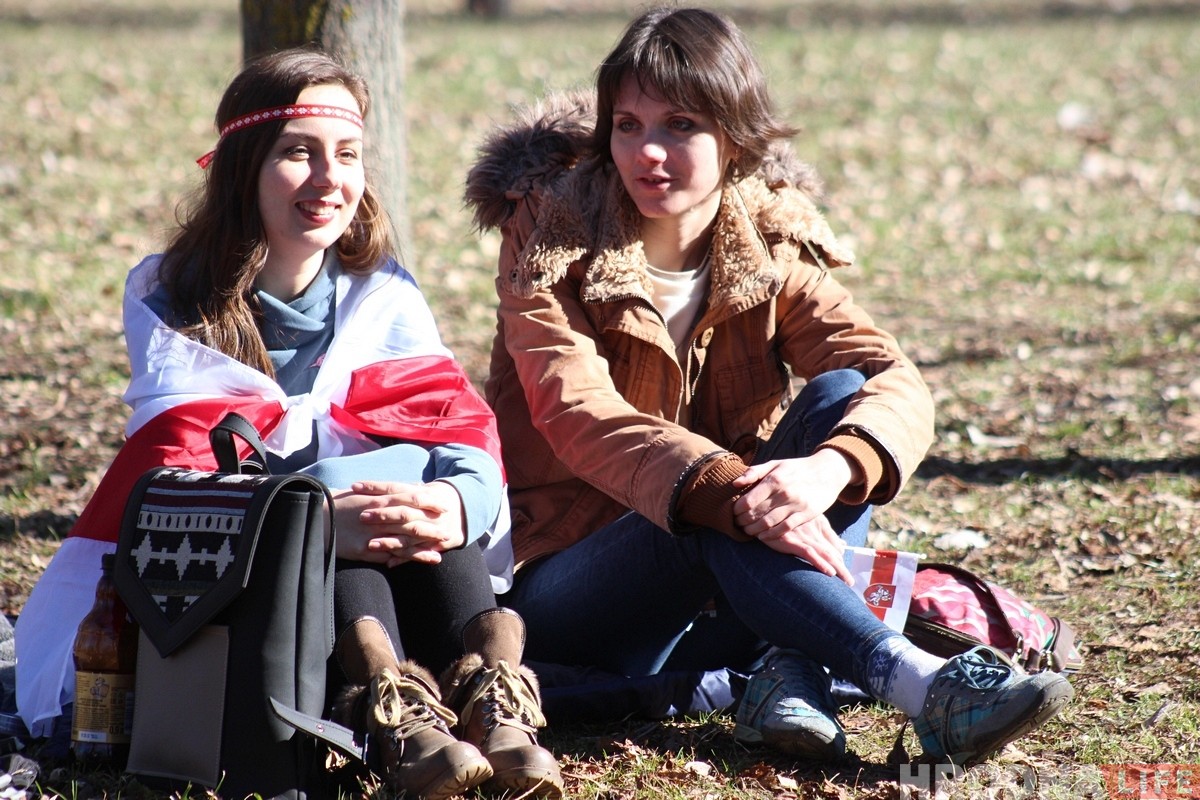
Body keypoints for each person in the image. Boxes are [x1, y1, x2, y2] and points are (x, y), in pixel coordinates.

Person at [464, 6, 1073, 765]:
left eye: (681, 125)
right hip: (571, 594)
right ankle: (917, 682)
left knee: (840, 394)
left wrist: (830, 469)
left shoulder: (767, 242)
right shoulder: (549, 242)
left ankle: (792, 670)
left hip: (731, 590)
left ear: (735, 138)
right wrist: (727, 487)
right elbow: (577, 411)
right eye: (627, 125)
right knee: (702, 508)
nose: (647, 152)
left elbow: (892, 377)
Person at [16, 47, 562, 799]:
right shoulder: (175, 309)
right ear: (244, 168)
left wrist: (453, 502)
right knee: (336, 532)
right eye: (299, 153)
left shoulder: (383, 299)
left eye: (348, 154)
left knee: (424, 521)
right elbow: (179, 492)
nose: (330, 179)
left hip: (409, 587)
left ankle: (497, 711)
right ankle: (398, 722)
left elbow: (455, 433)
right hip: (245, 615)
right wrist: (315, 520)